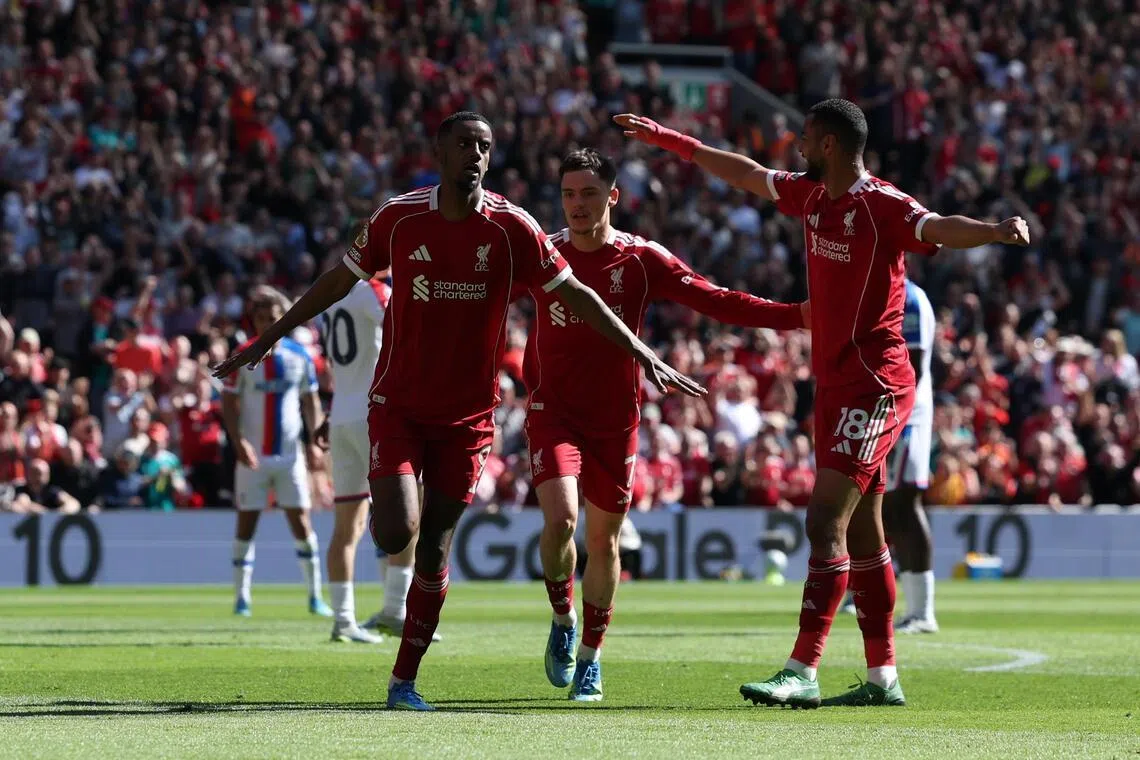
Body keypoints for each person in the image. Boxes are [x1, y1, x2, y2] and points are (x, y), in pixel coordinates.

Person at [212, 111, 703, 711]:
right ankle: (408, 632)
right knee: (395, 529)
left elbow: (576, 291)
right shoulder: (398, 217)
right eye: (464, 144)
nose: (475, 154)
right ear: (439, 152)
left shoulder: (511, 227)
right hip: (398, 405)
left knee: (435, 546)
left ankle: (403, 682)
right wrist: (271, 338)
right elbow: (338, 281)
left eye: (485, 146)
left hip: (468, 418)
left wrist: (640, 348)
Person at [616, 99, 1029, 708]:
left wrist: (993, 231)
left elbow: (936, 226)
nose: (797, 147)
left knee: (823, 519)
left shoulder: (880, 203)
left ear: (830, 143)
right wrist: (670, 140)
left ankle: (802, 669)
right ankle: (883, 677)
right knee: (863, 533)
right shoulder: (811, 197)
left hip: (877, 381)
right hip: (833, 383)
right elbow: (747, 174)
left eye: (806, 138)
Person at [527, 148, 808, 701]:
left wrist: (794, 315)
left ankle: (591, 657)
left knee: (604, 542)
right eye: (567, 195)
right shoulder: (543, 252)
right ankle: (563, 618)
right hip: (553, 411)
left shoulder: (640, 258)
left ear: (612, 197)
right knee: (561, 521)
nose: (576, 206)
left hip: (615, 419)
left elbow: (716, 300)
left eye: (587, 194)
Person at [221, 286, 332, 618]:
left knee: (301, 521)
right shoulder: (242, 356)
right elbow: (228, 403)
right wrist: (237, 441)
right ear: (253, 320)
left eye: (273, 318)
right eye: (261, 318)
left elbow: (310, 402)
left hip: (289, 456)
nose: (267, 323)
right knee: (246, 523)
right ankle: (242, 598)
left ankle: (315, 597)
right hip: (253, 455)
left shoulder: (299, 357)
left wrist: (314, 441)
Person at [316, 277, 399, 644]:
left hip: (340, 415)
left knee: (346, 525)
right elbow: (405, 329)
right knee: (401, 510)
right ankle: (396, 609)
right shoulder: (376, 291)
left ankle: (343, 620)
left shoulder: (334, 298)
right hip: (374, 413)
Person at [886, 278, 938, 633]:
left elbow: (914, 366)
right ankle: (870, 589)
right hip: (880, 408)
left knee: (904, 503)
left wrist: (893, 411)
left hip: (906, 411)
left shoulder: (910, 297)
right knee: (882, 506)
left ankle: (922, 611)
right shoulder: (873, 286)